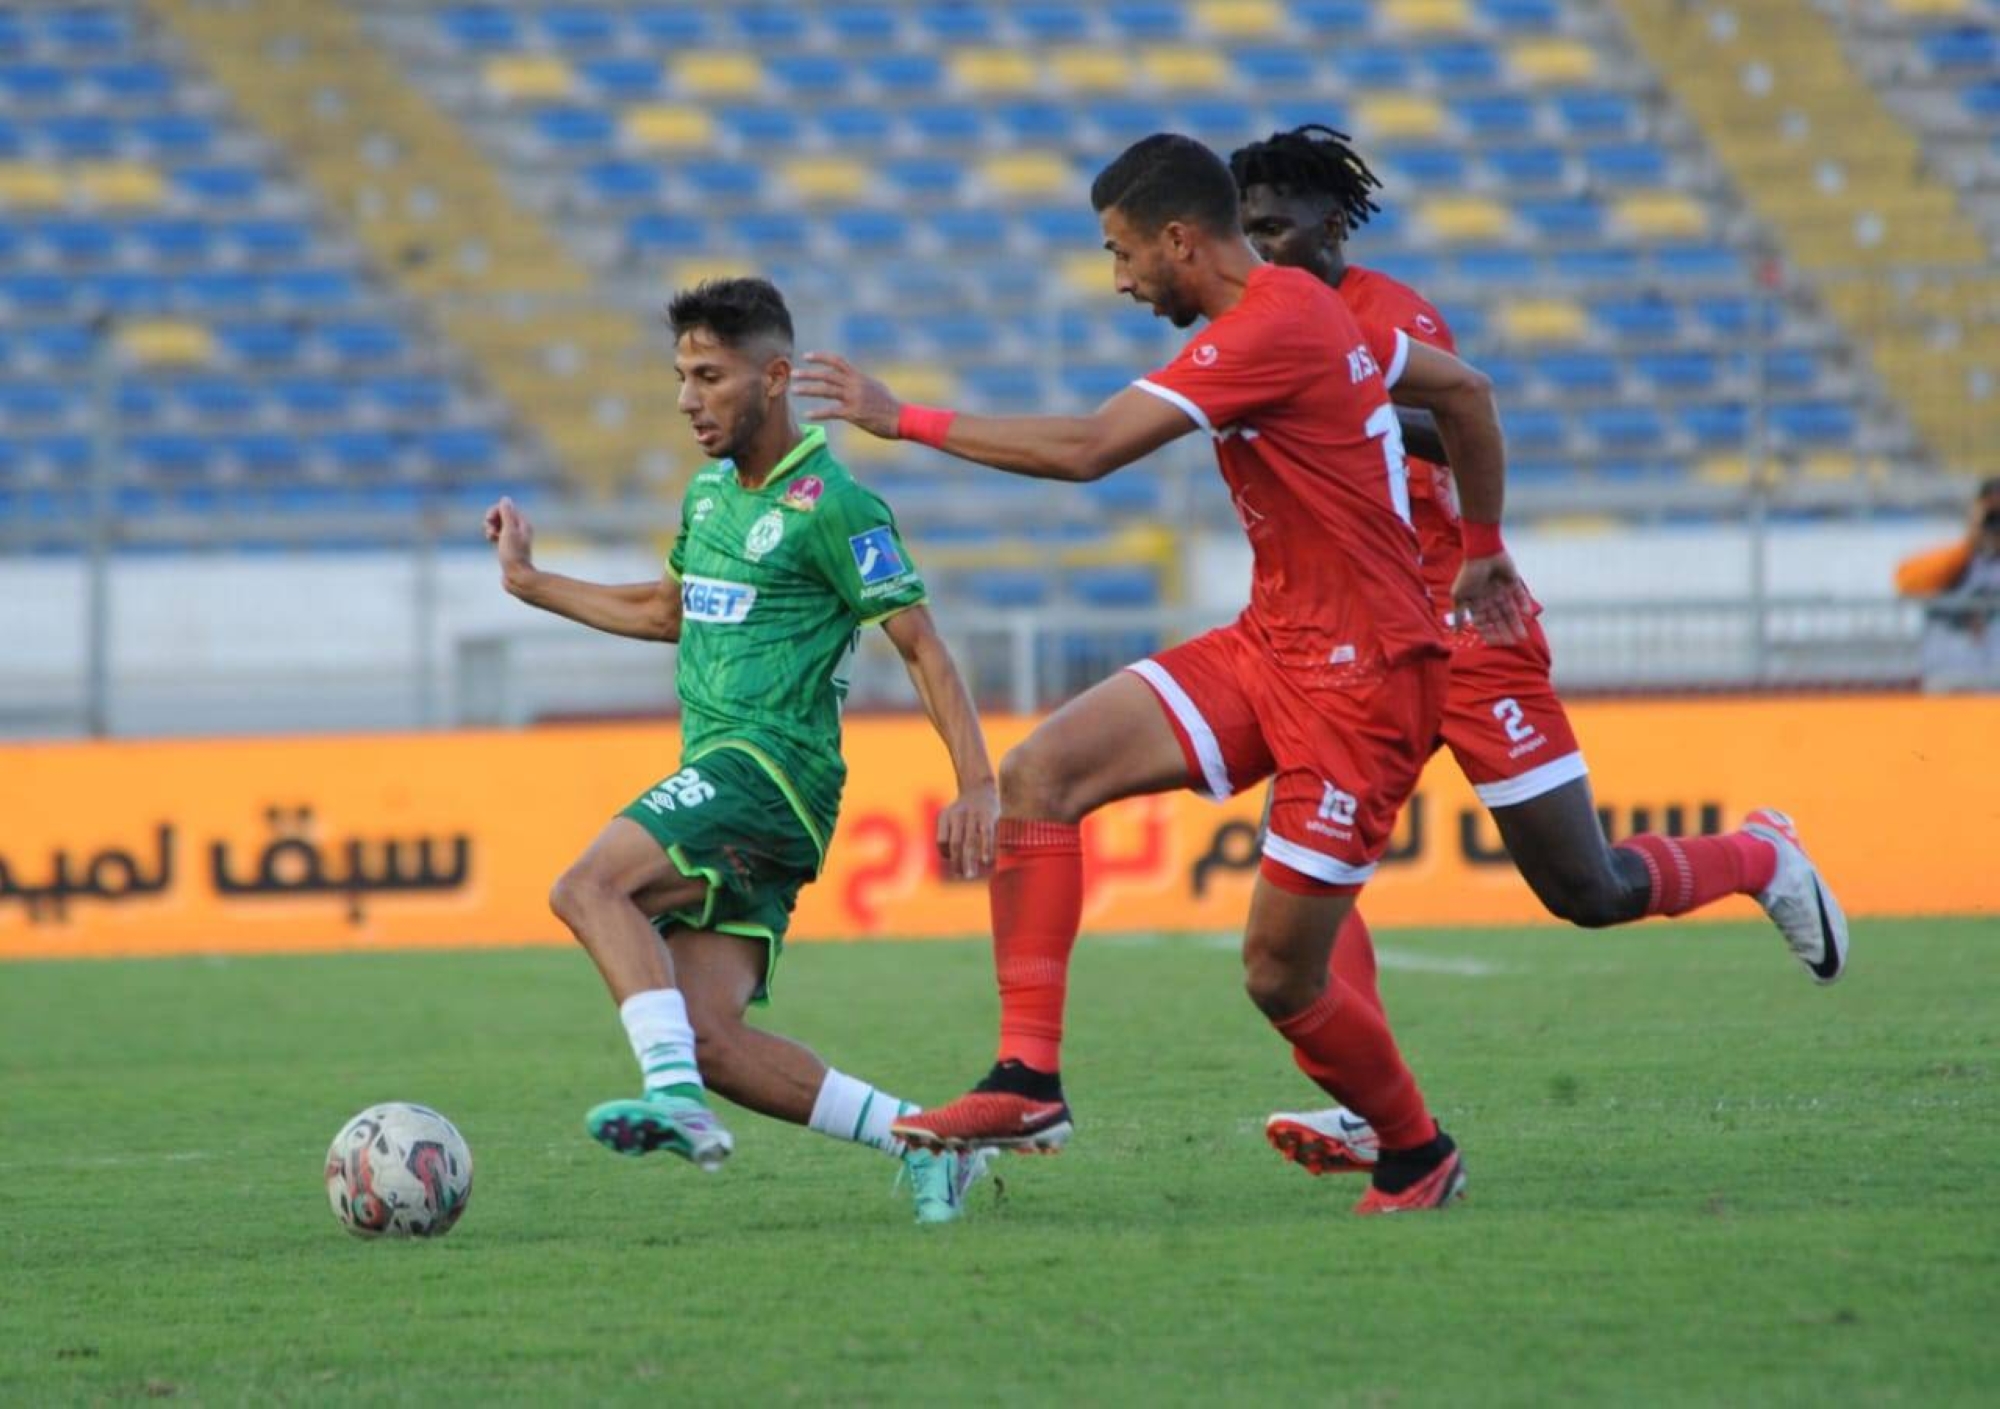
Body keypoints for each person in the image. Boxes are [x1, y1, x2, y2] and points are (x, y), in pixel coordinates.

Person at [800, 133, 1535, 1214]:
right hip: (1272, 641)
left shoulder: (1275, 322)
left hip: (1362, 684)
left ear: (1180, 241)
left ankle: (1415, 1150)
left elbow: (1090, 449)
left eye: (1121, 253)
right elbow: (1464, 393)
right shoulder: (1299, 306)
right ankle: (1025, 1079)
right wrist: (1478, 542)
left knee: (1279, 974)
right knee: (1040, 775)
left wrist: (899, 417)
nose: (1118, 280)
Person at [1229, 125, 1851, 1177]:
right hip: (1353, 649)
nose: (1260, 248)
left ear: (1331, 225)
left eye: (1275, 226)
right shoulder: (1251, 323)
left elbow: (1453, 421)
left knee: (1587, 888)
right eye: (1245, 230)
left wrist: (1340, 409)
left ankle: (1756, 854)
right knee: (1307, 876)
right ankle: (1382, 1115)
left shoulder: (1385, 317)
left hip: (1461, 629)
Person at [483, 277, 1000, 1224]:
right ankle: (928, 1142)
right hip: (735, 790)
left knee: (587, 887)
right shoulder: (710, 495)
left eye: (710, 377)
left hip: (770, 773)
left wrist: (978, 782)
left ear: (773, 377)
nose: (687, 399)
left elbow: (921, 644)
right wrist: (528, 582)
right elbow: (665, 611)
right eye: (680, 376)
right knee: (713, 1038)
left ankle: (668, 1097)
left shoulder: (835, 505)